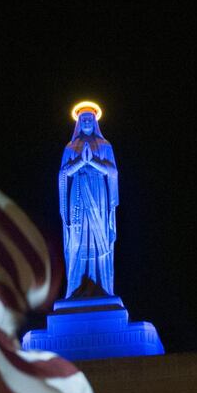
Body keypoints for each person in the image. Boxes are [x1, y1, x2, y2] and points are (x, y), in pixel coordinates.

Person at [59, 102, 118, 298]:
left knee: (98, 239)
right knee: (78, 241)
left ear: (94, 122)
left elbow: (112, 172)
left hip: (98, 195)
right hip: (78, 195)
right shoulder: (70, 146)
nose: (86, 121)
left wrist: (92, 161)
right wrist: (80, 162)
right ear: (78, 122)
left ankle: (102, 287)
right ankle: (76, 288)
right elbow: (63, 174)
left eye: (89, 118)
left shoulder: (105, 146)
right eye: (82, 118)